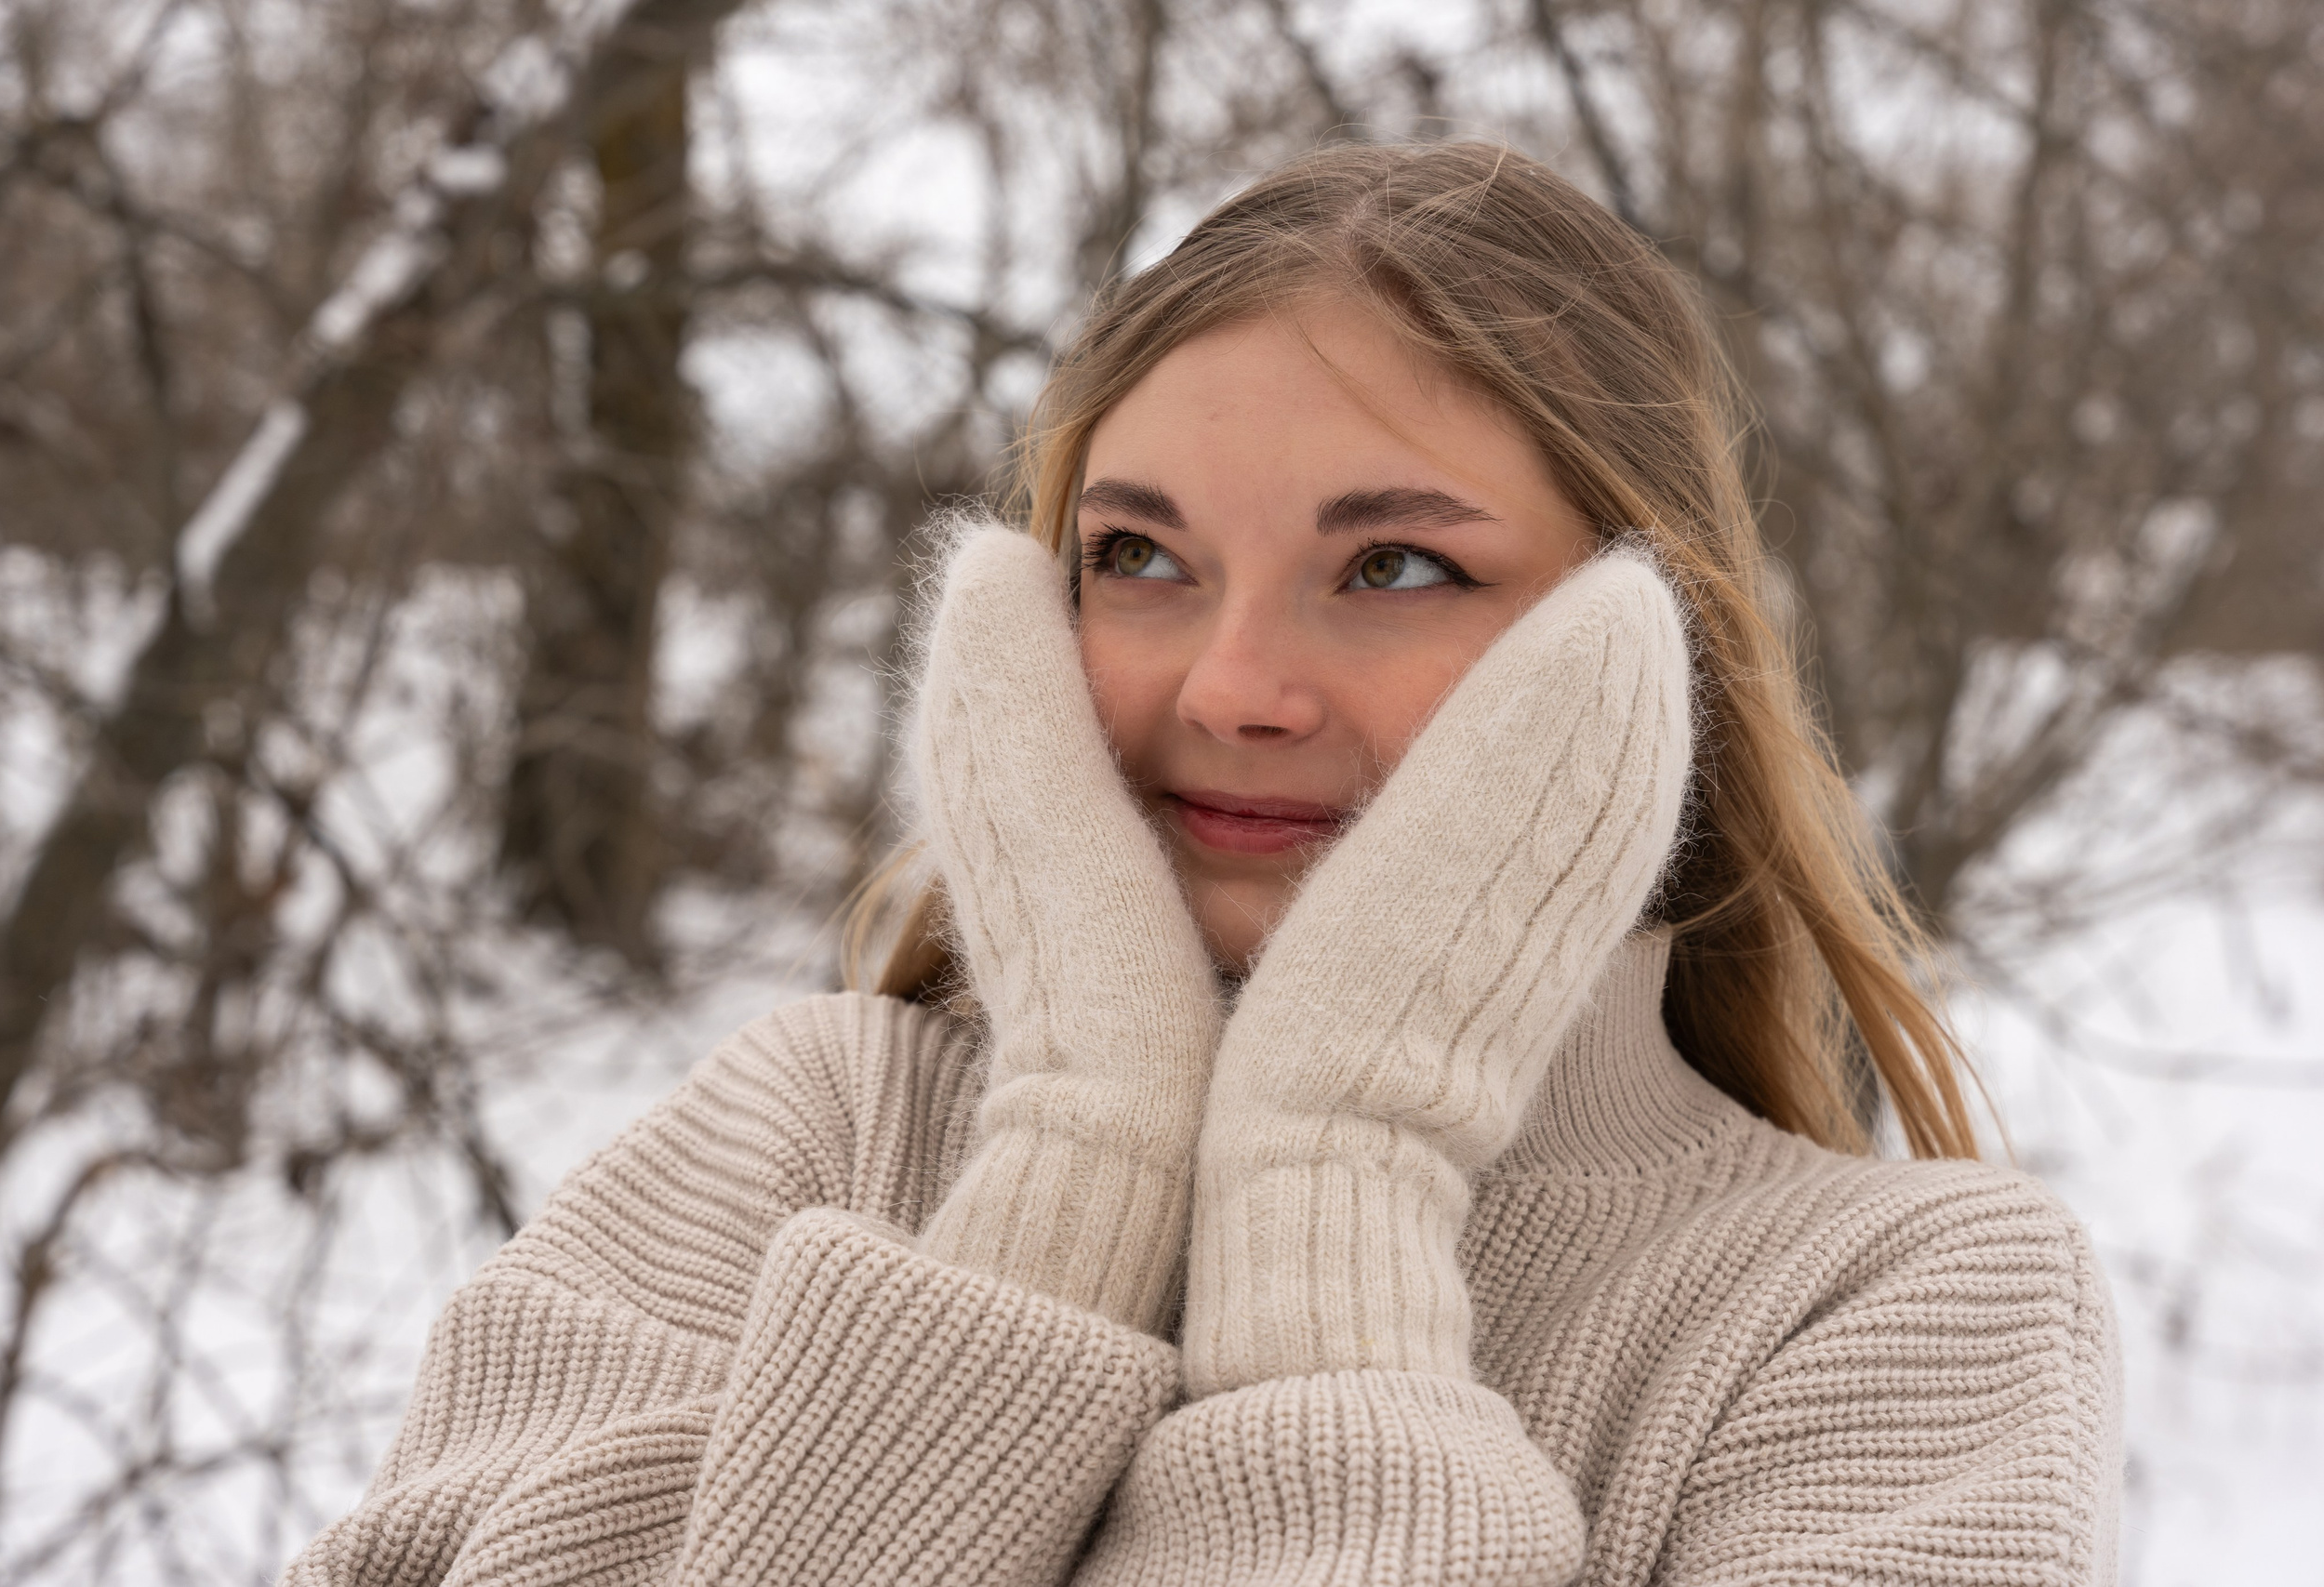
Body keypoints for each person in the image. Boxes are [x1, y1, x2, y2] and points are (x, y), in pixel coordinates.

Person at [285, 142, 2121, 1587]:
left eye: (1394, 565)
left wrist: (1337, 1168)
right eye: (1138, 556)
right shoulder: (806, 1134)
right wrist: (1074, 1162)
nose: (1230, 686)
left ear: (1638, 655)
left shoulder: (1889, 1307)